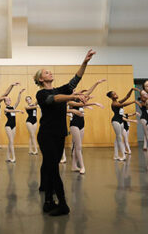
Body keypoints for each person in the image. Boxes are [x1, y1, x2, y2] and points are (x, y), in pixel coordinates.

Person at [34, 49, 96, 216]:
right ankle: (62, 204)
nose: (50, 73)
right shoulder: (41, 93)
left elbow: (76, 79)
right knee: (52, 168)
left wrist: (85, 62)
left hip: (60, 133)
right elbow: (52, 100)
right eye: (46, 72)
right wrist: (71, 97)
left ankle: (48, 201)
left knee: (50, 166)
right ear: (41, 79)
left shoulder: (60, 89)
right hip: (46, 134)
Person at [67, 79, 106, 174]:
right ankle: (82, 167)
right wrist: (94, 103)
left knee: (78, 146)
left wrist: (96, 83)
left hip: (81, 123)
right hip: (74, 124)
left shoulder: (79, 98)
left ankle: (74, 166)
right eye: (73, 92)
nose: (76, 93)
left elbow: (88, 91)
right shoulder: (70, 101)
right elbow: (79, 104)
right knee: (78, 147)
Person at [107, 88, 140, 161]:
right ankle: (123, 155)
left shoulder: (118, 102)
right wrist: (134, 101)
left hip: (120, 121)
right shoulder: (114, 103)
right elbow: (124, 104)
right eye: (114, 94)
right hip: (115, 121)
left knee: (117, 139)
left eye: (116, 93)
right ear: (111, 97)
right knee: (119, 138)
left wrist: (131, 89)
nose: (116, 95)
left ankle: (115, 156)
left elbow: (127, 97)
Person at [3, 89, 25, 163]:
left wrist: (19, 93)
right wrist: (18, 111)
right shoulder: (5, 109)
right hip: (8, 126)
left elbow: (18, 101)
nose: (9, 101)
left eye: (9, 100)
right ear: (5, 102)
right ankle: (13, 157)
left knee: (10, 142)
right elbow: (10, 111)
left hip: (14, 126)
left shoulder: (13, 107)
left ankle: (8, 157)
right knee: (11, 141)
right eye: (7, 100)